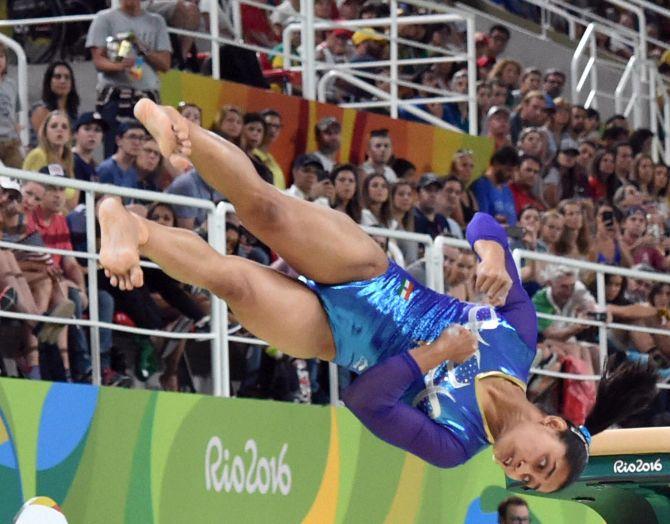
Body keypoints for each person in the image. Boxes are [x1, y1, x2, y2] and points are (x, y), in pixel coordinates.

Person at [99, 101, 659, 490]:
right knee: (263, 208)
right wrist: (493, 257)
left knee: (231, 281)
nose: (522, 471)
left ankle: (131, 228)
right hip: (371, 275)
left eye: (529, 480)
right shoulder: (520, 341)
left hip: (334, 337)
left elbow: (366, 401)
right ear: (553, 425)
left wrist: (436, 355)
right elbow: (484, 222)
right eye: (540, 463)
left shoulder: (453, 446)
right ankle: (178, 131)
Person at [85, 0, 172, 156]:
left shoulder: (157, 21)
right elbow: (98, 61)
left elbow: (165, 64)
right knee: (113, 149)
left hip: (148, 96)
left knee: (149, 152)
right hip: (115, 96)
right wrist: (121, 65)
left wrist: (141, 47)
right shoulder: (104, 18)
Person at [22, 110, 78, 210]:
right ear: (45, 133)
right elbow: (34, 196)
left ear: (69, 135)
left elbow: (73, 201)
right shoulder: (38, 155)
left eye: (64, 127)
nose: (59, 130)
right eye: (54, 126)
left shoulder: (68, 160)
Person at [30, 61, 80, 147]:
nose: (63, 81)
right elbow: (44, 144)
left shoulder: (74, 114)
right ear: (49, 81)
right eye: (57, 77)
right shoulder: (41, 110)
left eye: (67, 77)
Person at [471, 145, 520, 225]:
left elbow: (513, 226)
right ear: (496, 163)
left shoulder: (508, 192)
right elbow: (482, 222)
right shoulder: (481, 186)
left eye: (514, 171)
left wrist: (520, 232)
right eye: (508, 170)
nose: (511, 175)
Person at [0, 43, 22, 169]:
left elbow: (14, 113)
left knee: (19, 178)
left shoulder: (11, 85)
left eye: (1, 56)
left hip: (10, 143)